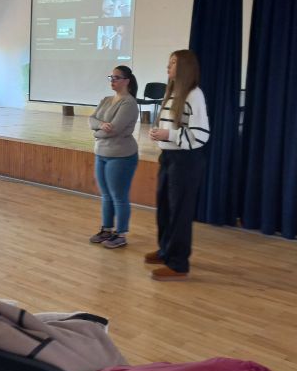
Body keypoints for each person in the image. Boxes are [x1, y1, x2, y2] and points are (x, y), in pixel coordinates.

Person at [147, 50, 210, 281]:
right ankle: (166, 250)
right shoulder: (173, 92)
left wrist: (169, 135)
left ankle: (178, 264)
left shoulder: (194, 95)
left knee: (179, 212)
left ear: (184, 67)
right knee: (165, 208)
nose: (168, 67)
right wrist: (160, 134)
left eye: (173, 63)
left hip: (186, 161)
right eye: (169, 62)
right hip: (169, 158)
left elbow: (200, 135)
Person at [88, 66, 139, 249]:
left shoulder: (129, 103)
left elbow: (115, 129)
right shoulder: (106, 100)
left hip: (121, 155)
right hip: (101, 153)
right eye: (111, 77)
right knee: (106, 195)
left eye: (117, 77)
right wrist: (101, 125)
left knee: (119, 196)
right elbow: (91, 120)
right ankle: (107, 229)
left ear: (126, 81)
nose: (113, 80)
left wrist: (96, 132)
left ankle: (121, 234)